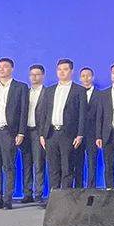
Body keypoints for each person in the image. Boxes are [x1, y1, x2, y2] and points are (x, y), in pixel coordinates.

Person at [0, 58, 28, 210]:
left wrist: (21, 132)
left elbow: (23, 112)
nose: (2, 69)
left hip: (9, 132)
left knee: (8, 166)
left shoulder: (20, 87)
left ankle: (8, 198)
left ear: (12, 69)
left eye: (5, 66)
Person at [39, 59, 87, 194]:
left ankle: (66, 198)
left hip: (68, 134)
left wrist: (80, 134)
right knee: (53, 168)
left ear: (71, 71)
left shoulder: (79, 90)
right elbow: (44, 113)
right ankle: (54, 197)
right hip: (51, 133)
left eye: (65, 69)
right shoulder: (49, 90)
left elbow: (82, 114)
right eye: (59, 69)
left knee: (67, 168)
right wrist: (42, 134)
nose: (62, 72)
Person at [22, 64, 50, 203]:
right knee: (26, 164)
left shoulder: (48, 93)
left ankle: (38, 193)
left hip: (39, 132)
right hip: (25, 132)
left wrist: (44, 133)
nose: (34, 77)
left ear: (43, 76)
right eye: (32, 74)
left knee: (39, 163)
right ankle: (27, 193)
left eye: (37, 74)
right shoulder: (25, 93)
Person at [79, 66, 100, 188]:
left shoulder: (100, 94)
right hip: (77, 134)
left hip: (93, 134)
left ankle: (91, 189)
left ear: (92, 77)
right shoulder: (75, 92)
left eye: (88, 76)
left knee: (92, 163)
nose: (86, 78)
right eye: (83, 76)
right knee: (77, 163)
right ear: (80, 78)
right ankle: (78, 189)